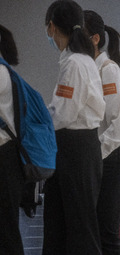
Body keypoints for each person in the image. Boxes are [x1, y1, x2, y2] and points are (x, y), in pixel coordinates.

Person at [43, 1, 106, 254]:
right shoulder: (78, 60)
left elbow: (63, 113)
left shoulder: (75, 63)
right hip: (75, 147)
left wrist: (37, 124)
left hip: (75, 148)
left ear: (51, 26)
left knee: (79, 227)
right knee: (60, 224)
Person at [84, 10, 120, 255]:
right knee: (92, 230)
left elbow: (119, 124)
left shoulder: (108, 69)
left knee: (107, 231)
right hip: (95, 157)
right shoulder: (84, 68)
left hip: (110, 157)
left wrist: (94, 153)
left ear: (94, 38)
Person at [0, 24, 25, 255]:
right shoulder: (8, 73)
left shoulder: (0, 73)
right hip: (8, 157)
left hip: (4, 157)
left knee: (6, 230)